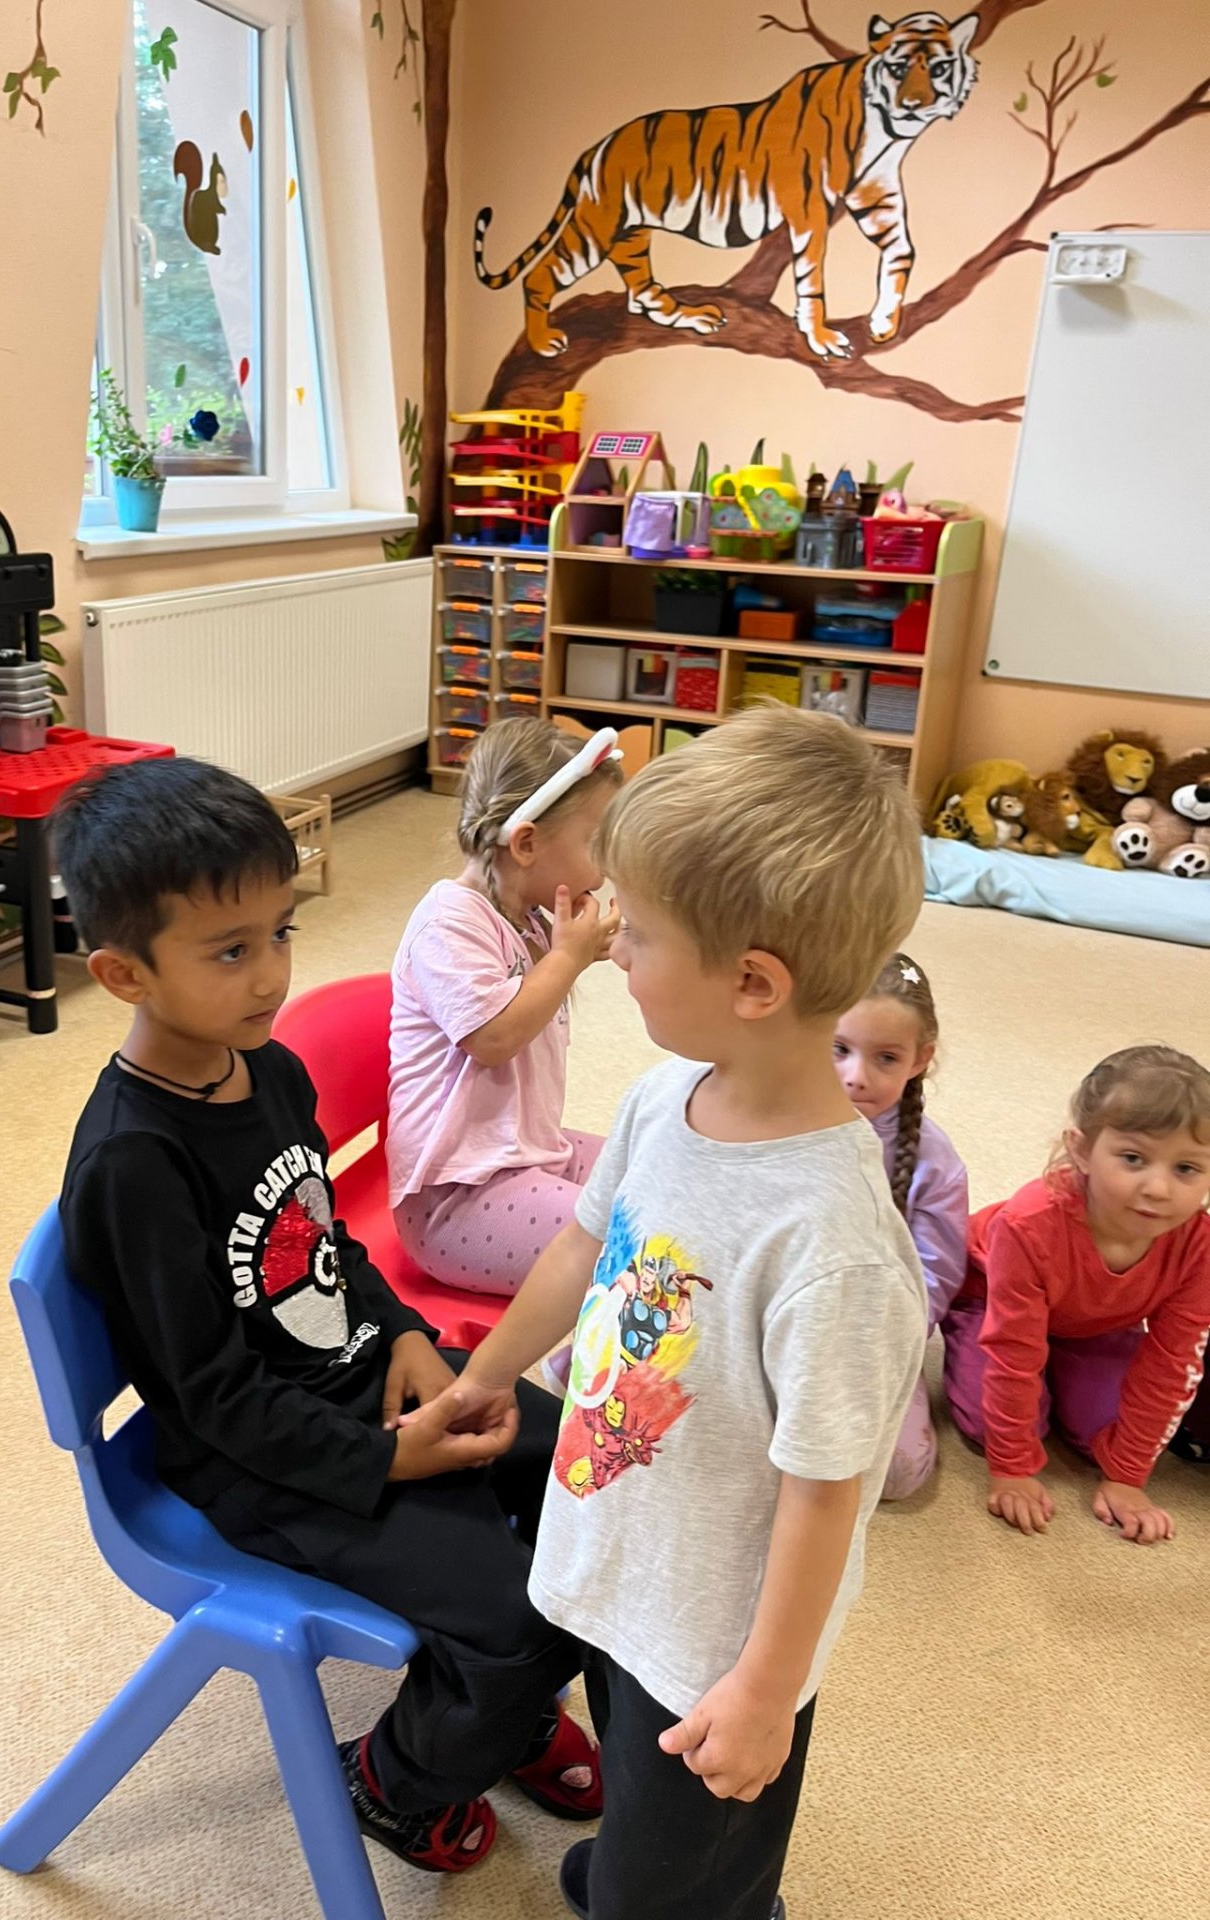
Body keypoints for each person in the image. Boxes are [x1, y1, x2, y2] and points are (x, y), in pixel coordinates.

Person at [410, 708, 928, 1920]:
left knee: (686, 1884)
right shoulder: (665, 1097)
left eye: (636, 935)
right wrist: (486, 1373)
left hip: (717, 1642)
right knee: (642, 1835)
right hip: (625, 1557)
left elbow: (825, 1491)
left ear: (752, 983)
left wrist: (765, 1692)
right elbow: (580, 1250)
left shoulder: (835, 1247)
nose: (611, 950)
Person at [51, 756, 600, 1878]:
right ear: (121, 973)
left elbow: (324, 1239)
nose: (272, 975)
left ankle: (493, 1708)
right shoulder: (132, 1165)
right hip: (261, 1462)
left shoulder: (267, 1070)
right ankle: (395, 1777)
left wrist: (402, 1332)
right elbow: (213, 1400)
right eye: (230, 951)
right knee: (520, 1624)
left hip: (358, 1381)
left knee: (595, 1480)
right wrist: (388, 1461)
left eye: (281, 933)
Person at [389, 719, 622, 1295]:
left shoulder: (529, 916)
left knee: (653, 1176)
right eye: (596, 845)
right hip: (456, 1198)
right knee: (637, 1249)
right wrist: (567, 958)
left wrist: (592, 948)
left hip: (526, 1155)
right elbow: (492, 1039)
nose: (604, 869)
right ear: (526, 843)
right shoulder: (448, 922)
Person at [942, 1045, 1210, 1544]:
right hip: (990, 1302)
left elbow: (1174, 1362)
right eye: (1133, 1158)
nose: (1158, 1188)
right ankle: (964, 1341)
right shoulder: (1029, 1224)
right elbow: (1013, 1352)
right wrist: (1012, 1468)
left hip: (1093, 1323)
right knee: (988, 1422)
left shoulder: (1198, 1245)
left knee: (1105, 1434)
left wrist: (1128, 1476)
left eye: (1186, 1169)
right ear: (1082, 1150)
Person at [833, 953, 969, 1498]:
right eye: (839, 1049)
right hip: (769, 1325)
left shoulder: (935, 1162)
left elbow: (936, 1278)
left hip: (875, 1342)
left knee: (898, 1473)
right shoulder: (772, 1121)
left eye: (886, 1057)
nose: (856, 1077)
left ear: (920, 1059)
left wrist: (874, 1344)